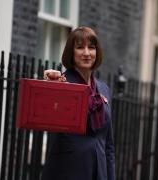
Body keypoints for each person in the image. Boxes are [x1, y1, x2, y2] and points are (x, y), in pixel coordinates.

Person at [41, 26, 115, 180]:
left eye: (91, 47)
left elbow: (108, 145)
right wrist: (52, 85)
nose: (87, 53)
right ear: (71, 52)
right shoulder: (62, 82)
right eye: (80, 47)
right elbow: (45, 116)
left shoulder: (104, 89)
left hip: (99, 172)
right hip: (68, 170)